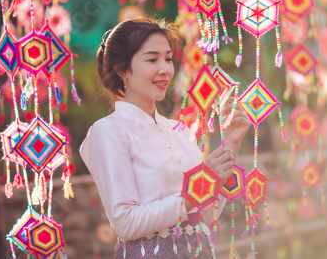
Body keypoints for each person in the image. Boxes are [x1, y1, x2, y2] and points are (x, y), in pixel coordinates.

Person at [80, 18, 250, 258]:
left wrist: (231, 143)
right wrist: (201, 186)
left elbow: (205, 215)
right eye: (152, 59)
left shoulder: (180, 130)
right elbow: (126, 224)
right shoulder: (108, 132)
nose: (165, 69)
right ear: (121, 70)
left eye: (168, 59)